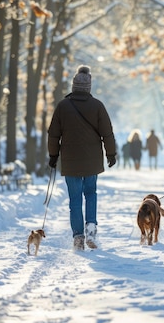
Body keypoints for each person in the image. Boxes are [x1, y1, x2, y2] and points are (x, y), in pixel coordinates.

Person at [47, 65, 117, 251]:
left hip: (70, 161)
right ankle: (91, 229)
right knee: (91, 193)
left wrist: (53, 155)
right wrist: (111, 153)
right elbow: (107, 133)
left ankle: (78, 236)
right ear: (89, 87)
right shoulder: (97, 106)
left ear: (73, 85)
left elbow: (53, 134)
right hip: (92, 160)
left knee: (75, 200)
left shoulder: (63, 106)